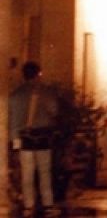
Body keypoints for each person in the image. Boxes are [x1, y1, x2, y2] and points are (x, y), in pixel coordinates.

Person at [9, 61, 60, 217]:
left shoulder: (16, 95)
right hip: (43, 137)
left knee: (27, 173)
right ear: (39, 74)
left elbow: (14, 121)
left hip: (25, 138)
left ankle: (28, 206)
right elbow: (54, 111)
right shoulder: (47, 92)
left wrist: (15, 142)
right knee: (44, 172)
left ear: (23, 75)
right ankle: (48, 206)